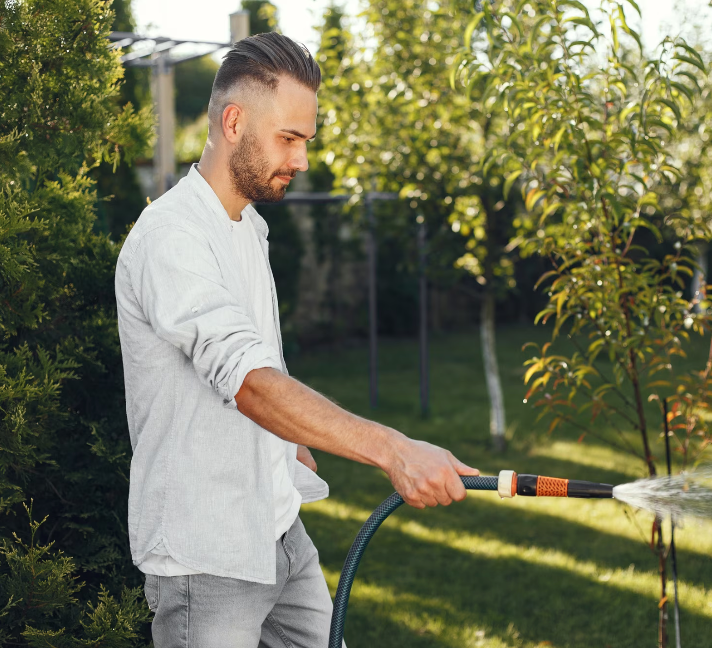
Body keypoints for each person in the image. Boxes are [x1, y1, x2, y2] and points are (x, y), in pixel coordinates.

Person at [114, 32, 478, 648]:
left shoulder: (246, 227)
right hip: (209, 559)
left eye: (305, 140)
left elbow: (260, 367)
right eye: (289, 138)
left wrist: (284, 446)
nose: (303, 159)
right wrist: (393, 450)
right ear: (234, 121)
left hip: (278, 530)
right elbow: (249, 382)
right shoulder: (171, 239)